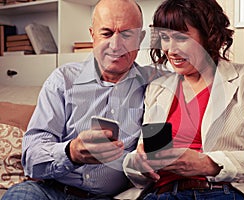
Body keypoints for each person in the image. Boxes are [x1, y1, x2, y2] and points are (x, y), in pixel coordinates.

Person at [123, 0, 244, 199]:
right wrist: (138, 164)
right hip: (163, 193)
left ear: (209, 35)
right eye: (164, 38)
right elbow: (145, 152)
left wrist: (208, 163)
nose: (171, 49)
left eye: (180, 37)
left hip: (223, 191)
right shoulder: (158, 89)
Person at [2, 0, 159, 199]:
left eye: (127, 34)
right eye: (107, 33)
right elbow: (31, 158)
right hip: (51, 192)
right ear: (92, 35)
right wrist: (71, 153)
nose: (116, 45)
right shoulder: (63, 80)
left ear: (140, 38)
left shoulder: (155, 84)